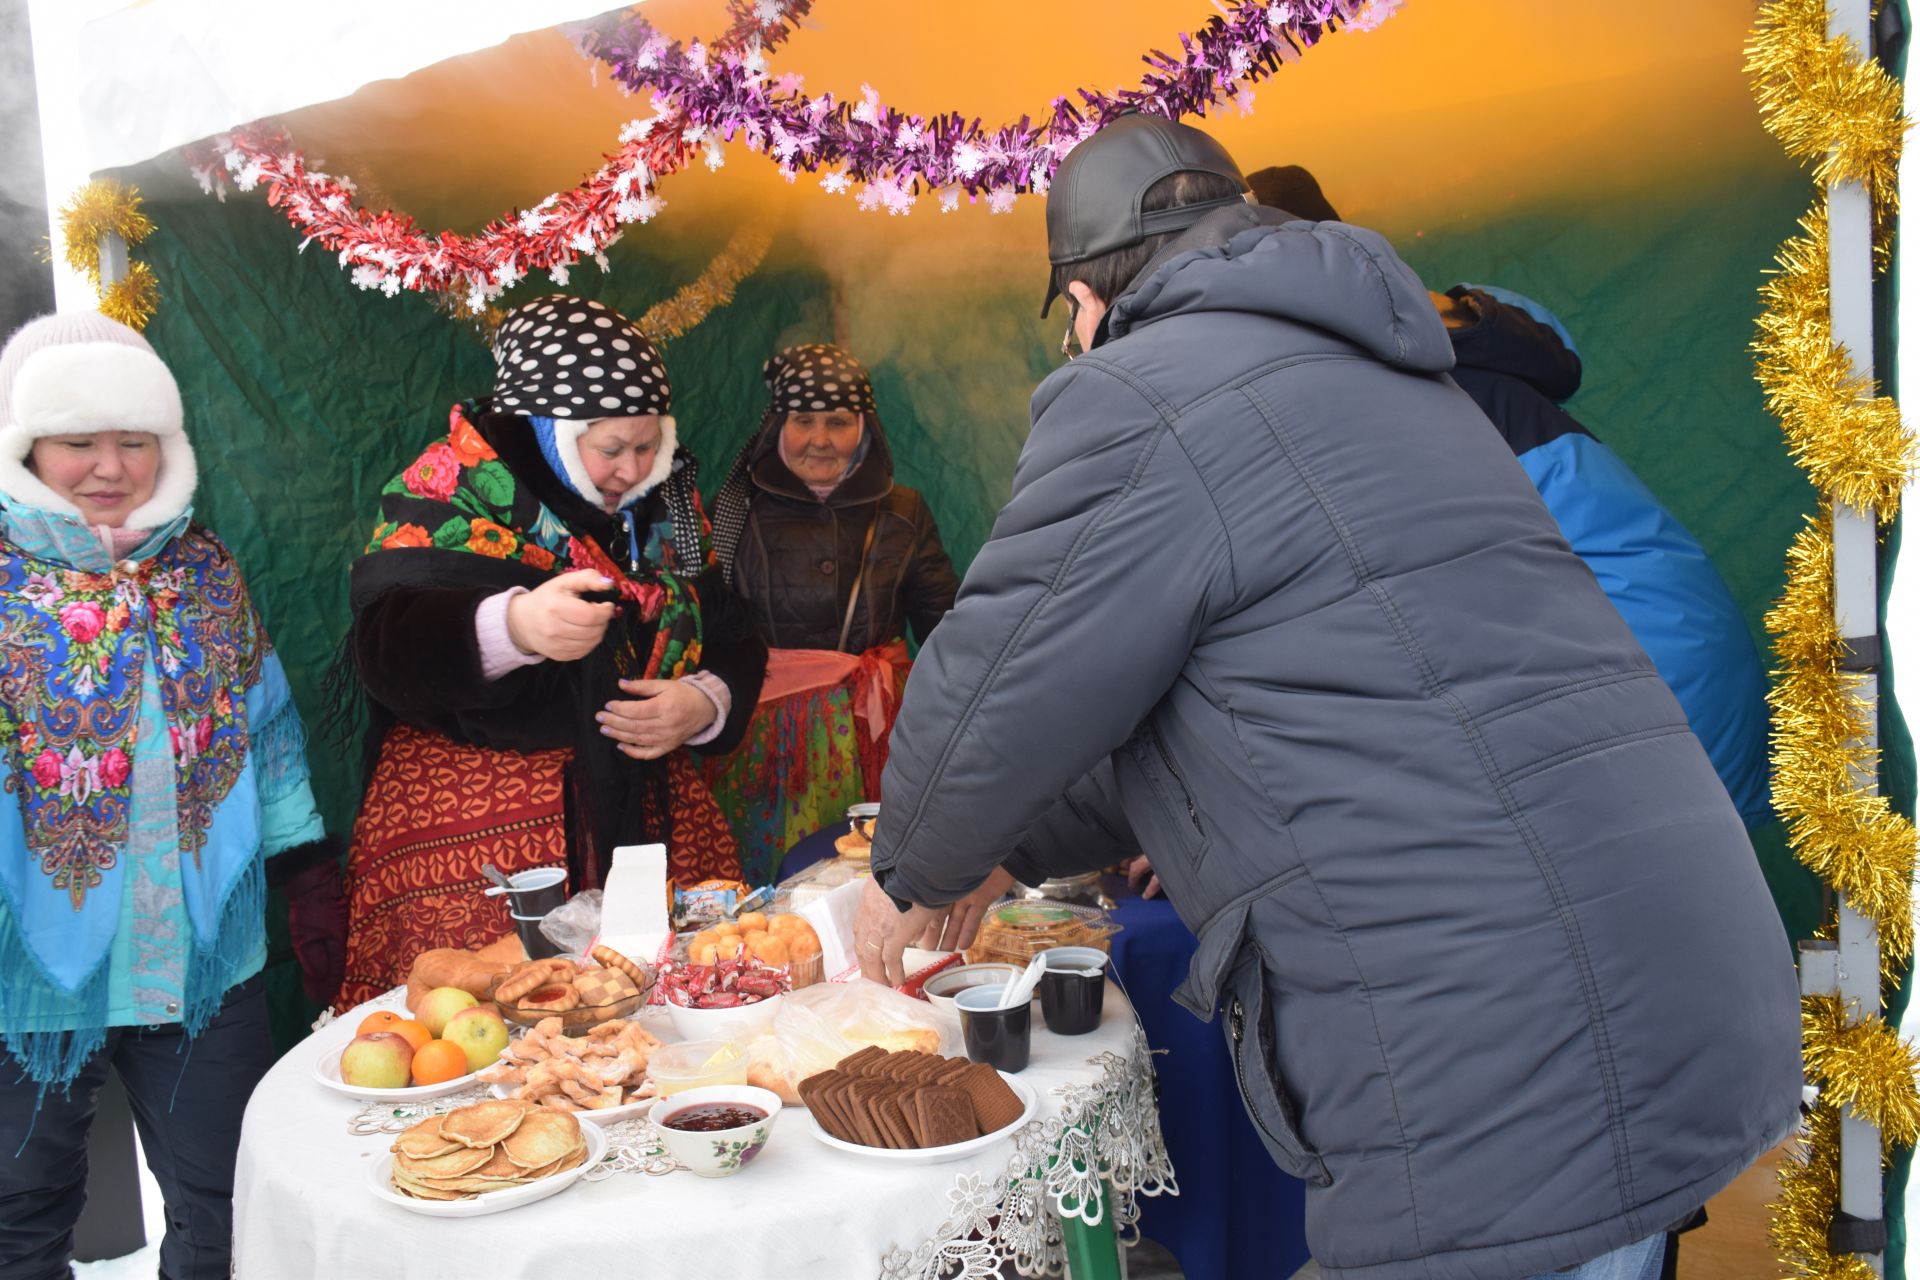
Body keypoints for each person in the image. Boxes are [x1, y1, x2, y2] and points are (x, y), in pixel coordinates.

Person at [853, 115, 1801, 1279]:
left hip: (1501, 1042)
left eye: (1069, 323)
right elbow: (1204, 708)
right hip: (1674, 980)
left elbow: (994, 676)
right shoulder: (1402, 384)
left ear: (1089, 297)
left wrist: (911, 870)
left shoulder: (1143, 393)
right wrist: (1017, 843)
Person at [1244, 165, 1772, 826]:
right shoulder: (1462, 343)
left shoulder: (1387, 397)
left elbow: (1370, 650)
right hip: (1686, 651)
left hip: (1637, 684)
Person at [0, 312, 342, 1278]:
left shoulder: (202, 568)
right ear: (27, 446)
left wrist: (303, 867)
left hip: (199, 952)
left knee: (230, 1195)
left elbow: (263, 720)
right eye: (78, 441)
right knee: (19, 1215)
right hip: (25, 963)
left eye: (133, 441)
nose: (109, 466)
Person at [337, 296, 765, 1008]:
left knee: (671, 1018)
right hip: (481, 836)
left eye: (647, 444)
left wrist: (705, 702)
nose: (632, 468)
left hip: (647, 823)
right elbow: (386, 647)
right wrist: (517, 626)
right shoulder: (453, 493)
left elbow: (734, 632)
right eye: (610, 448)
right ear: (550, 434)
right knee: (490, 1032)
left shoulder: (669, 505)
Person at [701, 344, 959, 879]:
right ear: (776, 425)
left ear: (864, 428)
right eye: (803, 420)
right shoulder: (732, 512)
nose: (820, 439)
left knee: (878, 877)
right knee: (779, 883)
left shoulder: (903, 511)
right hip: (768, 742)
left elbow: (946, 628)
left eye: (838, 421)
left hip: (882, 735)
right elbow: (706, 629)